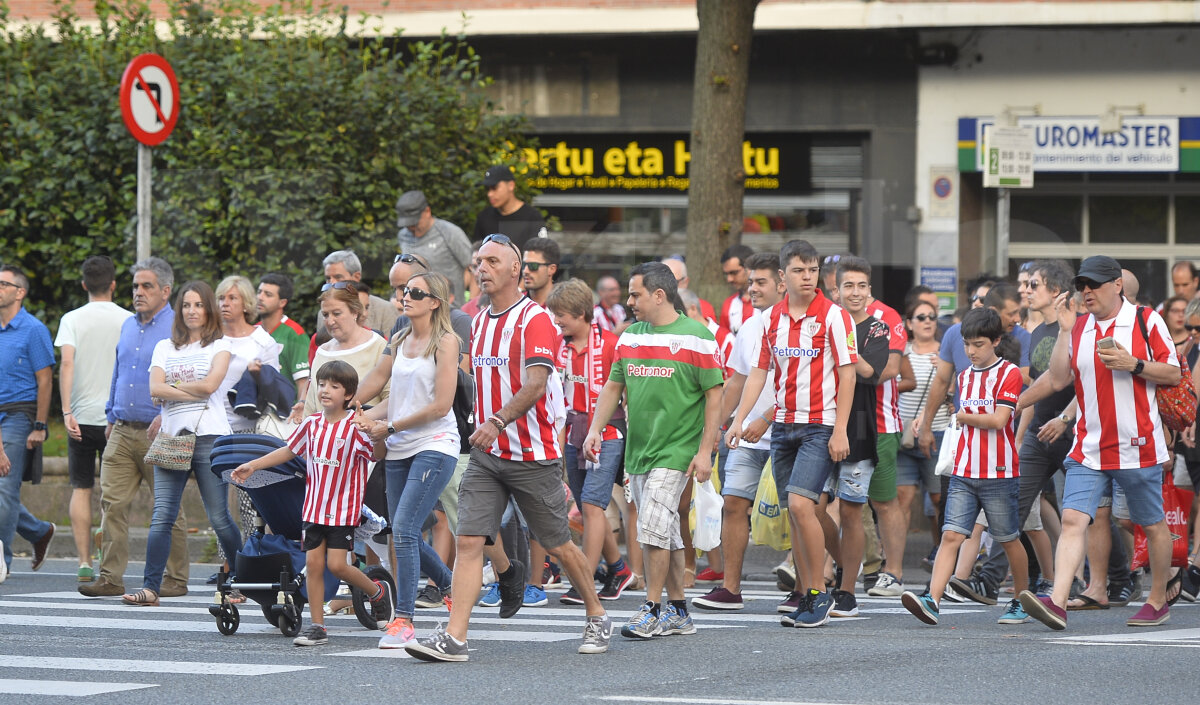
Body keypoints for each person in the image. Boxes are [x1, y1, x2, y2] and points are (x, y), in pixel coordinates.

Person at [405, 232, 611, 661]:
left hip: (532, 455)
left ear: (516, 270)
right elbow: (474, 384)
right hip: (486, 454)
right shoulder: (478, 321)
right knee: (468, 541)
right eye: (479, 261)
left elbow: (535, 384)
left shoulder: (535, 319)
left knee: (557, 544)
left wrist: (497, 420)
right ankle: (455, 638)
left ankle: (595, 613)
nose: (482, 268)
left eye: (492, 262)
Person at [1017, 255, 1180, 630]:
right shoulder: (1079, 326)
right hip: (1089, 447)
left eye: (1094, 284)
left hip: (1137, 444)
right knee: (1075, 518)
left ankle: (1158, 599)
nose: (1086, 292)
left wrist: (1134, 364)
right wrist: (1016, 402)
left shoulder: (1145, 320)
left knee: (1151, 524)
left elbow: (1171, 371)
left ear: (1117, 285)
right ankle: (1057, 602)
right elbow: (1057, 379)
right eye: (1082, 285)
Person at [584, 262, 723, 639]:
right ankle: (679, 610)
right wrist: (596, 429)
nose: (629, 301)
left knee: (651, 530)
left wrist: (706, 451)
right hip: (639, 451)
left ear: (659, 295)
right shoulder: (630, 337)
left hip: (677, 451)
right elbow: (613, 387)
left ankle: (651, 607)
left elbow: (715, 396)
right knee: (666, 534)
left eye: (635, 294)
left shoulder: (698, 336)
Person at [727, 240, 858, 628]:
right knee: (795, 515)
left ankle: (819, 592)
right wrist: (738, 419)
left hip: (820, 425)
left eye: (813, 270)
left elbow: (847, 375)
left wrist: (840, 430)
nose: (807, 277)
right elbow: (759, 373)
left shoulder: (835, 317)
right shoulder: (770, 320)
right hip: (783, 425)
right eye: (799, 271)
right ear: (783, 277)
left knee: (804, 507)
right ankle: (808, 593)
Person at [232, 360, 395, 645]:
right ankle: (317, 626)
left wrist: (372, 430)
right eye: (321, 384)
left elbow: (377, 454)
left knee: (338, 566)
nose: (325, 390)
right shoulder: (311, 424)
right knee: (313, 565)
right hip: (313, 509)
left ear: (348, 394)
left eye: (334, 386)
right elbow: (288, 451)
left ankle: (377, 592)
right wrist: (254, 465)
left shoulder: (355, 426)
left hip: (342, 512)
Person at [901, 307, 1030, 626]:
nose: (970, 351)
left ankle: (1021, 599)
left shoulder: (1009, 373)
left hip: (999, 473)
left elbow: (1001, 419)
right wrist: (928, 420)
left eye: (979, 344)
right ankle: (932, 599)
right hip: (964, 470)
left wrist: (962, 416)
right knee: (950, 535)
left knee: (1009, 538)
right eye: (967, 344)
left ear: (997, 341)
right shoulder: (964, 376)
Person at [351, 271, 460, 648]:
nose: (406, 296)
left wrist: (390, 425)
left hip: (435, 442)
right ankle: (449, 585)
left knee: (406, 529)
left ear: (435, 302)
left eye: (416, 292)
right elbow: (380, 384)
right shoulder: (398, 339)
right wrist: (351, 405)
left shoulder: (446, 342)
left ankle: (404, 621)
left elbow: (441, 405)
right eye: (402, 290)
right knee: (401, 531)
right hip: (398, 443)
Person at [122, 281, 243, 607]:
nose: (192, 311)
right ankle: (151, 588)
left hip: (210, 436)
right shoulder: (165, 347)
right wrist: (184, 386)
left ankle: (241, 581)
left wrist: (172, 385)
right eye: (186, 305)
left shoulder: (221, 345)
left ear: (208, 310)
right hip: (172, 436)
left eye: (198, 305)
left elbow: (210, 387)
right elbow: (154, 388)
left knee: (218, 518)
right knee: (162, 515)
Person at [80, 258, 190, 598]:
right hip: (122, 430)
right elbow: (119, 371)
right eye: (135, 287)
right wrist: (111, 416)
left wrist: (171, 414)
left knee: (168, 506)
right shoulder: (128, 325)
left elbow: (189, 376)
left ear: (166, 291)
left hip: (165, 429)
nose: (138, 293)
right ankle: (110, 577)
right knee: (111, 504)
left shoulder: (180, 328)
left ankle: (175, 578)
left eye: (146, 286)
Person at [692, 252, 785, 611]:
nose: (752, 289)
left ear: (781, 282)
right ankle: (731, 588)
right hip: (747, 434)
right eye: (750, 282)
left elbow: (802, 384)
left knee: (798, 510)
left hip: (788, 430)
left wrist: (765, 417)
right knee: (733, 504)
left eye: (760, 282)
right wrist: (721, 424)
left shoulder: (802, 324)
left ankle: (809, 586)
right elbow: (736, 381)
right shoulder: (749, 325)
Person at [547, 278, 634, 604]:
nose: (558, 321)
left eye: (563, 315)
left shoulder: (612, 345)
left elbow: (627, 395)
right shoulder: (560, 347)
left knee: (594, 505)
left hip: (609, 432)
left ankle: (583, 579)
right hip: (573, 433)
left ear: (582, 313)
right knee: (587, 508)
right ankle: (618, 568)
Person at [821, 256, 893, 617]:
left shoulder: (878, 329)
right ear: (836, 289)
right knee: (811, 508)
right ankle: (842, 565)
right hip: (816, 423)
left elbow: (870, 371)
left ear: (869, 291)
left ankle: (847, 590)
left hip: (860, 429)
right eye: (848, 286)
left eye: (862, 286)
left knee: (851, 512)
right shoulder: (821, 322)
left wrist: (843, 342)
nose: (855, 292)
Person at [55, 256, 133, 582]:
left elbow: (67, 363)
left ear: (84, 284)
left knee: (81, 487)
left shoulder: (71, 319)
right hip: (117, 416)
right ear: (114, 284)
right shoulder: (129, 320)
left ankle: (84, 561)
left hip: (81, 417)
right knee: (111, 491)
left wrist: (66, 411)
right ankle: (105, 551)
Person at [0, 265, 56, 580]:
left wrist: (40, 424)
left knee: (5, 485)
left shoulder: (33, 329)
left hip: (19, 414)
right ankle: (37, 531)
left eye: (3, 284)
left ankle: (2, 560)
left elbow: (44, 380)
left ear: (19, 292)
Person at [862, 268, 911, 598]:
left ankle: (893, 572)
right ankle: (821, 573)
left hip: (879, 424)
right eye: (839, 284)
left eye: (856, 284)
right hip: (833, 421)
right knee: (830, 501)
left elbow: (893, 370)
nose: (847, 290)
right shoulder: (828, 313)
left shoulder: (886, 316)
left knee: (883, 502)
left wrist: (845, 375)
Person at [895, 298, 949, 568]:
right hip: (904, 436)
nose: (928, 321)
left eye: (932, 317)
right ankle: (893, 561)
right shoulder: (900, 353)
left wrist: (946, 371)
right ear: (909, 324)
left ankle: (941, 551)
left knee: (939, 497)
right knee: (902, 497)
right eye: (921, 317)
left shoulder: (945, 352)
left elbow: (955, 393)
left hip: (937, 433)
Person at [307, 283, 389, 415]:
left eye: (337, 313)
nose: (330, 321)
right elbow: (311, 406)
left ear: (354, 312)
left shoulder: (378, 345)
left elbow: (392, 399)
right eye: (325, 314)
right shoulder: (322, 351)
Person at [216, 276, 282, 433]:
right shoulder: (209, 339)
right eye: (221, 298)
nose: (225, 303)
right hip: (209, 427)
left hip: (247, 428)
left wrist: (258, 375)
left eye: (232, 298)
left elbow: (273, 392)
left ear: (246, 304)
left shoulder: (263, 342)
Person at [396, 190, 474, 304]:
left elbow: (472, 267)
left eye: (415, 224)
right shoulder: (403, 236)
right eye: (407, 226)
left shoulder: (450, 232)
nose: (411, 229)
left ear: (427, 211)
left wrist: (468, 300)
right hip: (416, 307)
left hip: (450, 307)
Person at [256, 273, 310, 422]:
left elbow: (303, 382)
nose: (260, 297)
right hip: (254, 412)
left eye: (268, 294)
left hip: (284, 416)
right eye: (259, 292)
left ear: (282, 302)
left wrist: (299, 418)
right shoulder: (253, 332)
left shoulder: (295, 334)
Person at [319, 250, 399, 337]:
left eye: (338, 277)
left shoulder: (384, 310)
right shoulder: (323, 313)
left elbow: (392, 347)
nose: (332, 283)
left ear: (356, 277)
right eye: (328, 278)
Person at [472, 166, 547, 251]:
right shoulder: (484, 217)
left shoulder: (532, 217)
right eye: (488, 189)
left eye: (494, 187)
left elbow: (540, 254)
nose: (490, 194)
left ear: (511, 185)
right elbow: (477, 252)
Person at [662, 257, 716, 323]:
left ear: (685, 282)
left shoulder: (704, 308)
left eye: (672, 283)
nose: (667, 288)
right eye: (662, 283)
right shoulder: (652, 307)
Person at [719, 244, 755, 334]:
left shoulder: (771, 301)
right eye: (726, 274)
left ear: (749, 268)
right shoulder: (728, 304)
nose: (729, 279)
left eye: (734, 273)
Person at [521, 237, 560, 307]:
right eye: (524, 265)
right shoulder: (515, 304)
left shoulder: (565, 306)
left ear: (552, 269)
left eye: (533, 266)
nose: (525, 271)